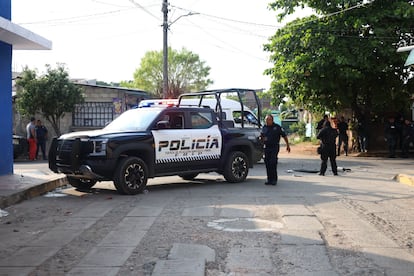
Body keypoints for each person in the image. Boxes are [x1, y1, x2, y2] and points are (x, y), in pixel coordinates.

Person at [261, 114, 290, 185]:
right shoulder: (264, 127)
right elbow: (262, 136)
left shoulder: (277, 127)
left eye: (268, 120)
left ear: (272, 120)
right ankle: (269, 179)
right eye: (266, 120)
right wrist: (261, 139)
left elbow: (284, 136)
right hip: (266, 147)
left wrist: (287, 145)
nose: (267, 121)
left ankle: (274, 179)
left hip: (274, 147)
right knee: (267, 163)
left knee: (273, 162)